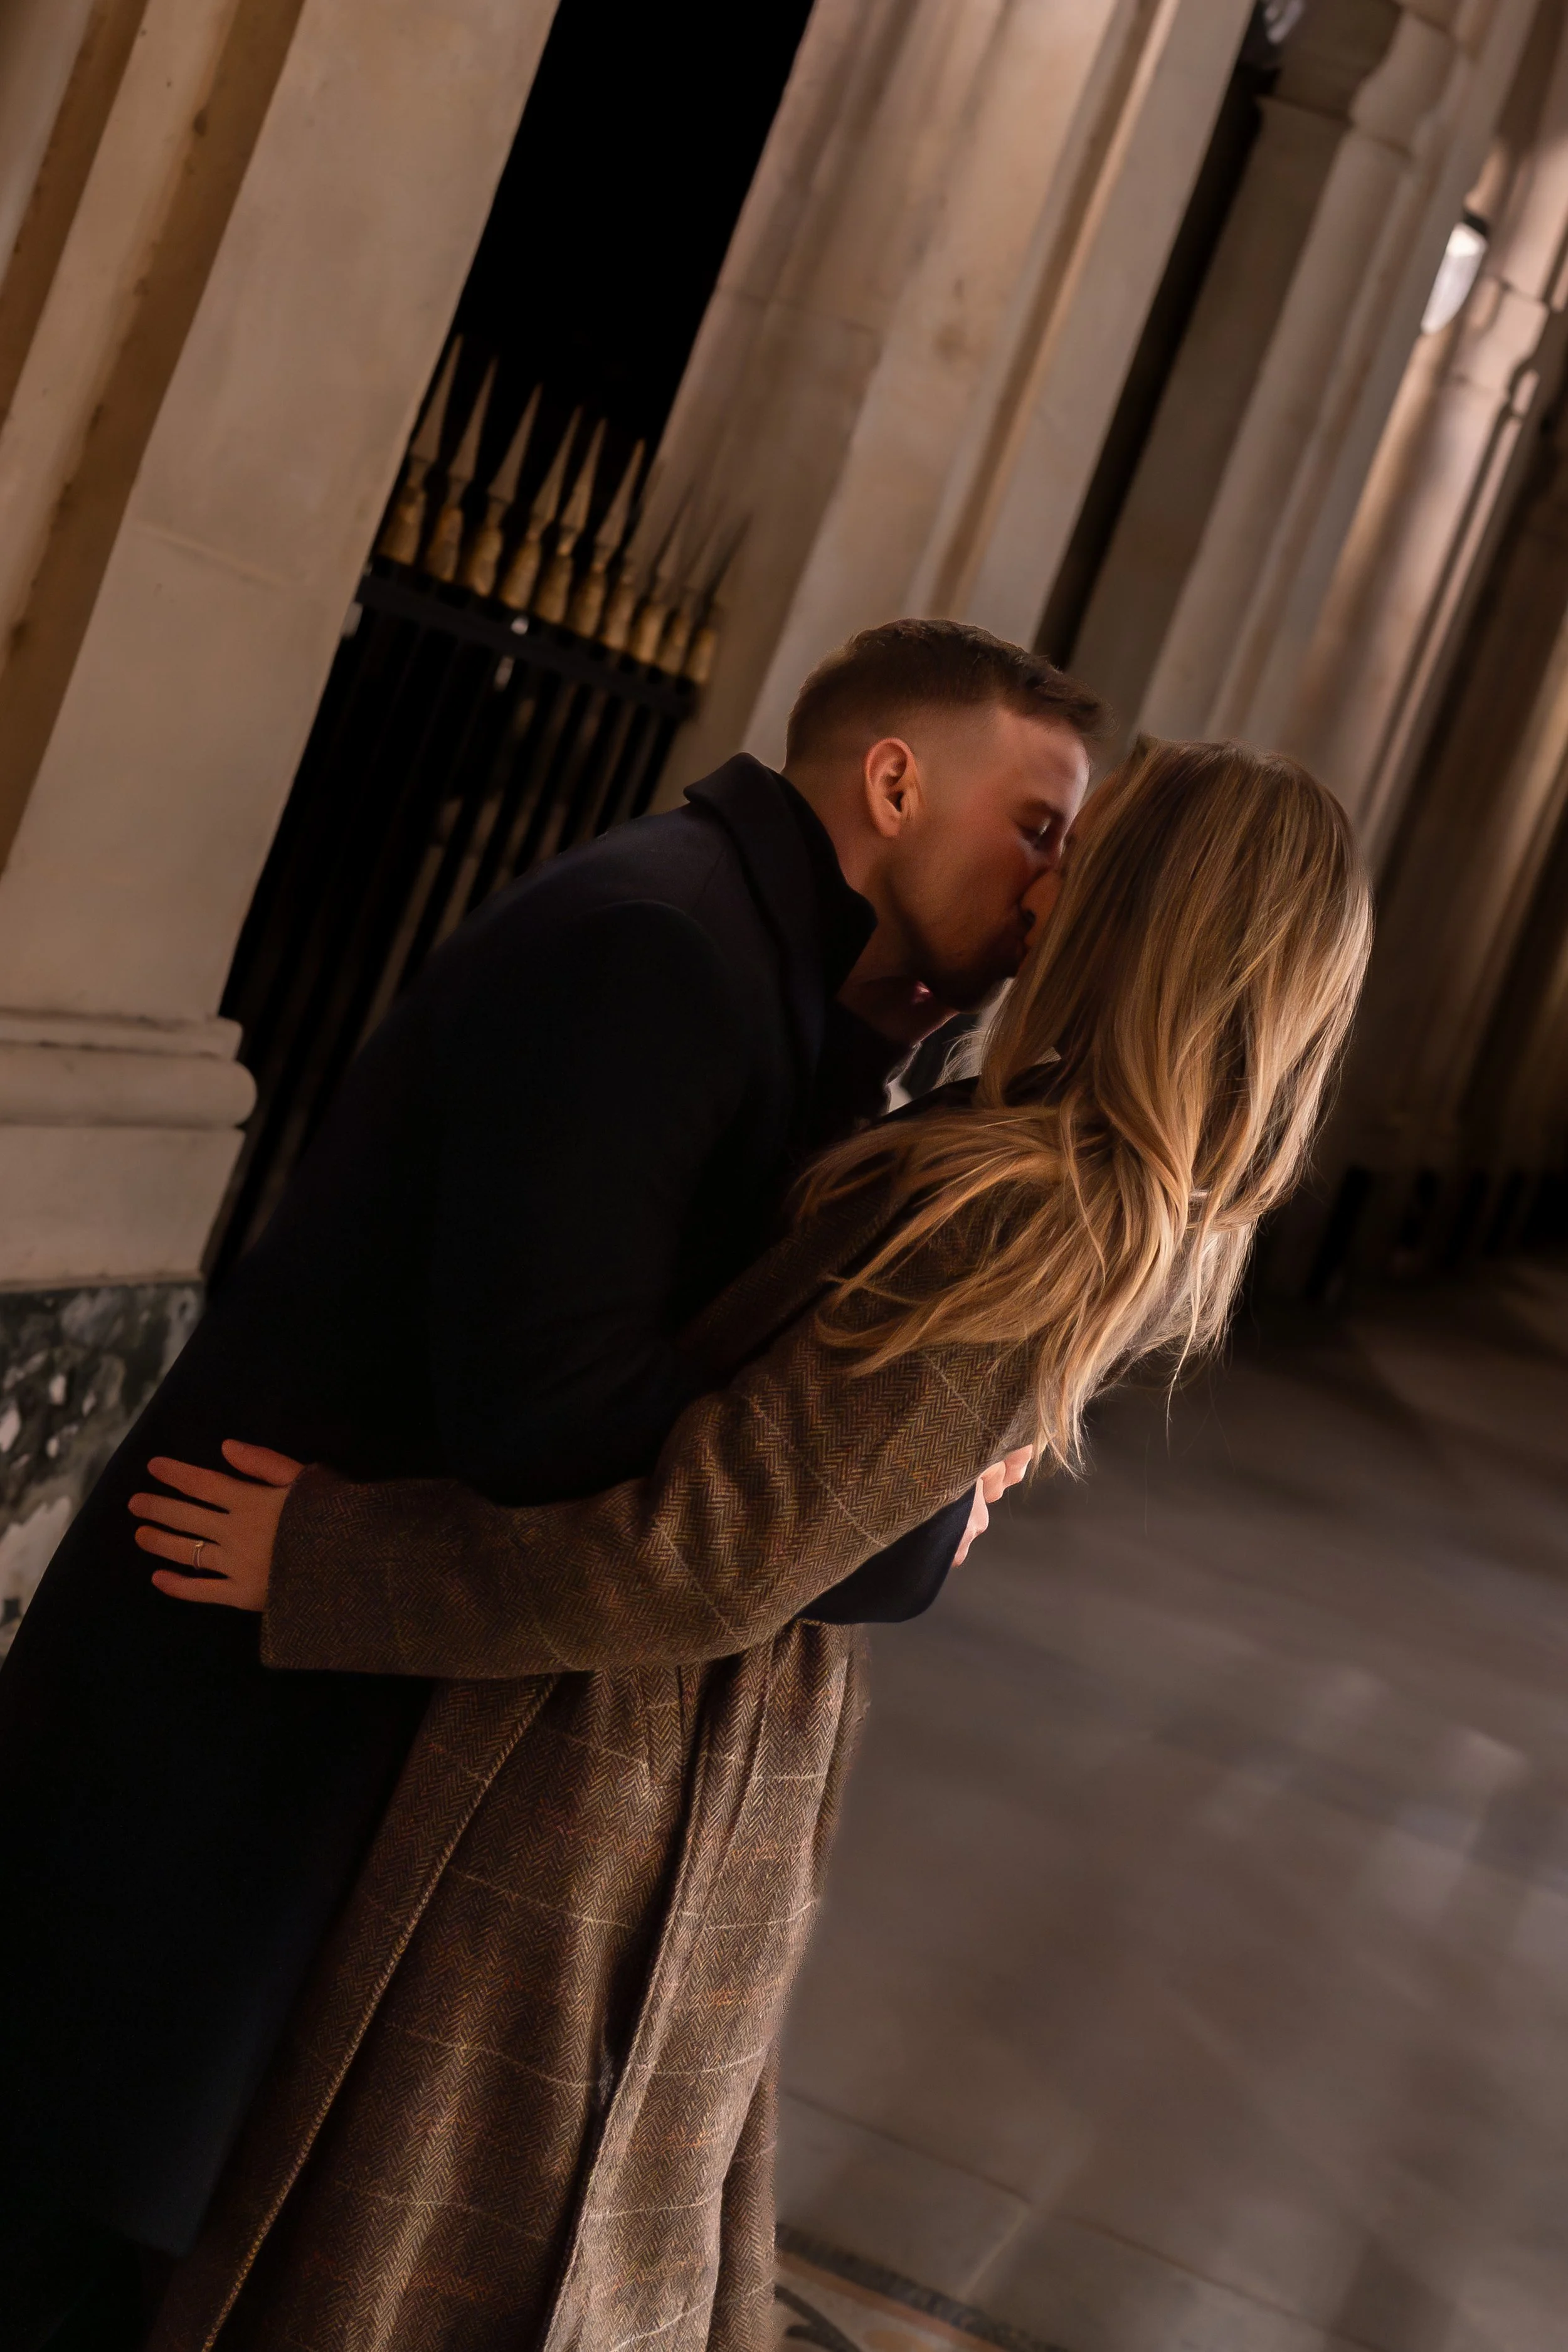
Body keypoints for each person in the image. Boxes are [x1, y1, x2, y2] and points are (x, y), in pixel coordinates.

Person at [129, 736, 1372, 2352]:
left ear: (1150, 913)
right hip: (682, 1748)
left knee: (435, 2266)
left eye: (1089, 850)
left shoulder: (1033, 1200)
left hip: (633, 1756)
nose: (1044, 878)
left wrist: (331, 1561)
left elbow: (706, 1551)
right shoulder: (1051, 1163)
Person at [0, 619, 1101, 2350]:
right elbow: (552, 1419)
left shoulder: (759, 967)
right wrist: (882, 1494)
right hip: (233, 1703)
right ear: (894, 782)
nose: (1052, 892)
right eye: (1037, 828)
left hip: (316, 1695)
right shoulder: (658, 949)